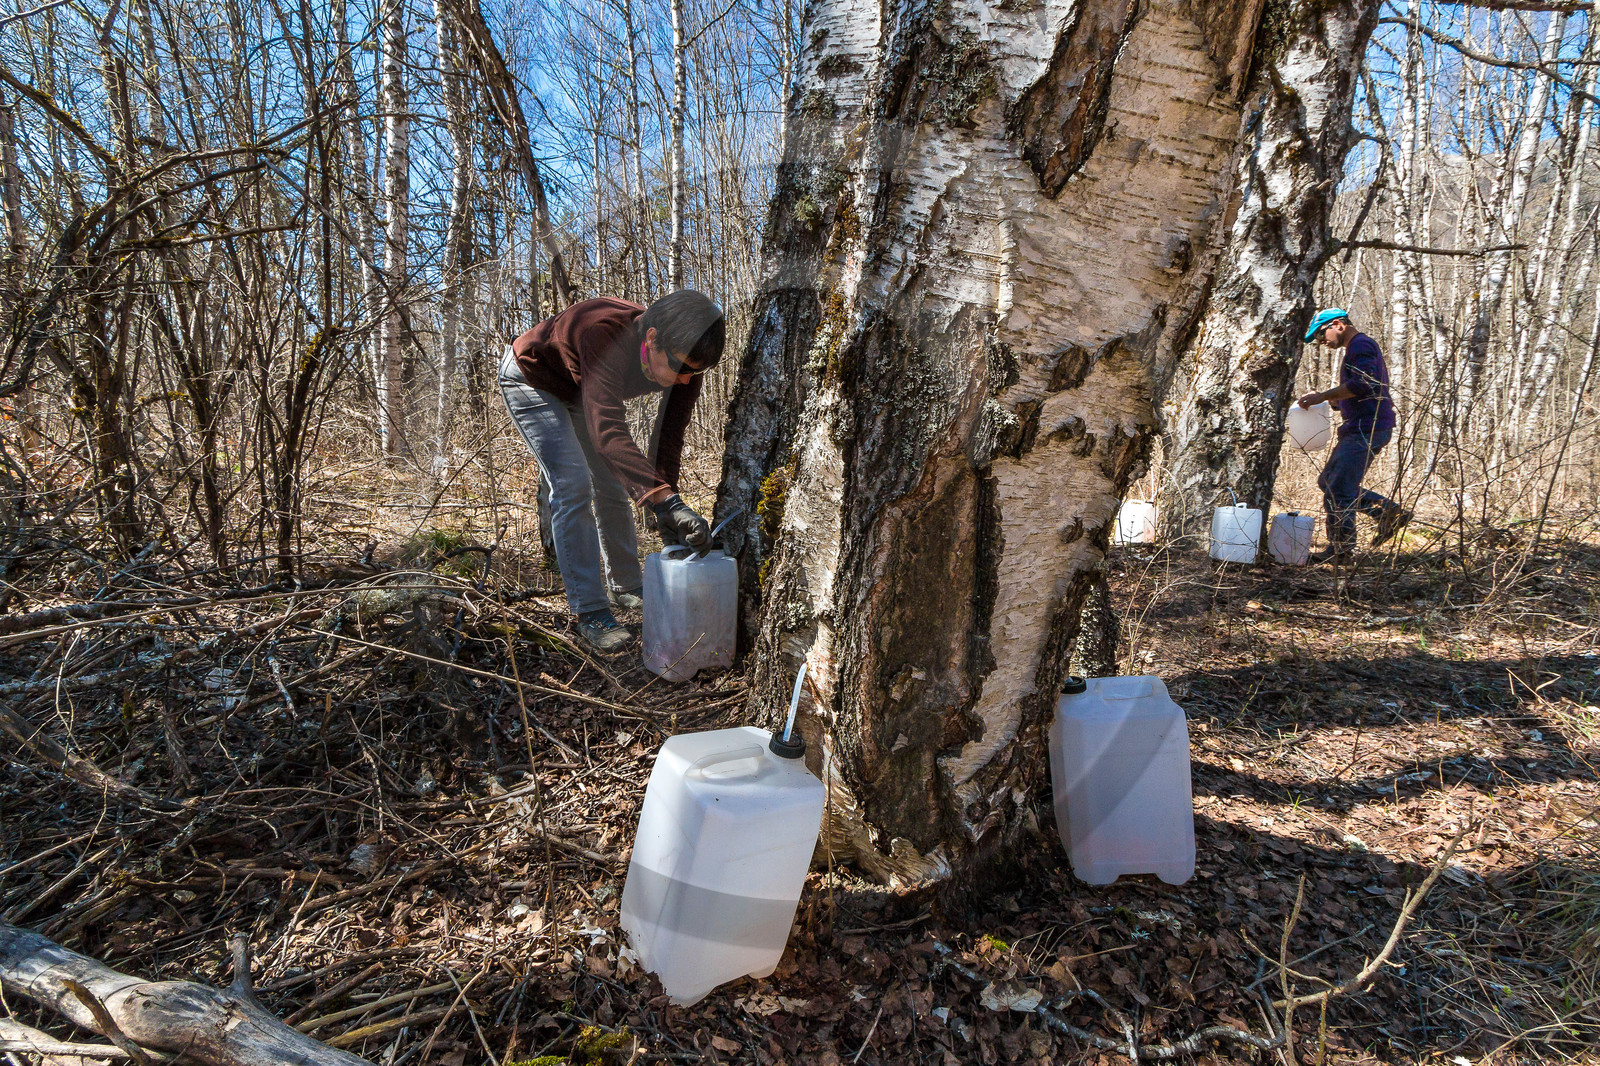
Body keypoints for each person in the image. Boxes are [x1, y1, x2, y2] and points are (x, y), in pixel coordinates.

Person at [500, 291, 723, 651]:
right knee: (573, 484)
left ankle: (626, 586)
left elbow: (670, 433)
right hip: (533, 379)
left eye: (695, 372)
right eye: (681, 368)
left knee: (613, 485)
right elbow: (607, 431)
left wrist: (667, 500)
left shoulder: (687, 358)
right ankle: (590, 612)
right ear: (652, 339)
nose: (686, 379)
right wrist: (662, 500)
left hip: (579, 389)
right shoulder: (600, 333)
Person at [1297, 309, 1411, 563]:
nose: (1321, 342)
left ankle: (1341, 552)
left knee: (1338, 488)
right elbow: (1360, 390)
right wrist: (1330, 401)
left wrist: (1324, 396)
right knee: (1329, 481)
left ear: (1337, 324)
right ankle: (1386, 512)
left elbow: (1364, 384)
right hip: (1361, 426)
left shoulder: (1361, 346)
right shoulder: (1356, 348)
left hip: (1367, 428)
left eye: (1320, 335)